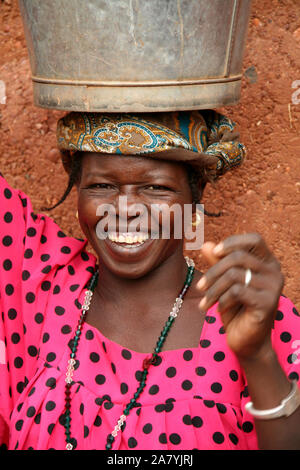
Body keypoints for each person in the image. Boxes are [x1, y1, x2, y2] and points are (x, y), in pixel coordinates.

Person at [0, 110, 299, 451]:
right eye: (102, 186)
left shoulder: (250, 314)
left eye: (156, 188)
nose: (126, 208)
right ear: (78, 191)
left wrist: (258, 355)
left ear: (193, 197)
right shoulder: (43, 285)